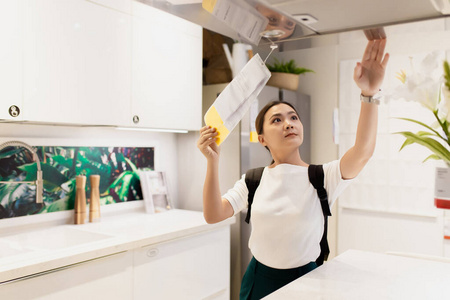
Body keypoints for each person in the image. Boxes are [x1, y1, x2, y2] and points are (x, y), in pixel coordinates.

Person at [197, 38, 389, 299]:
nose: (288, 123)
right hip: (258, 281)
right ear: (261, 138)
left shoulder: (322, 177)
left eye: (293, 118)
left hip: (307, 281)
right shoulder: (253, 180)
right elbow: (213, 214)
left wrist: (369, 94)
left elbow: (363, 151)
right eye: (277, 120)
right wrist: (212, 161)